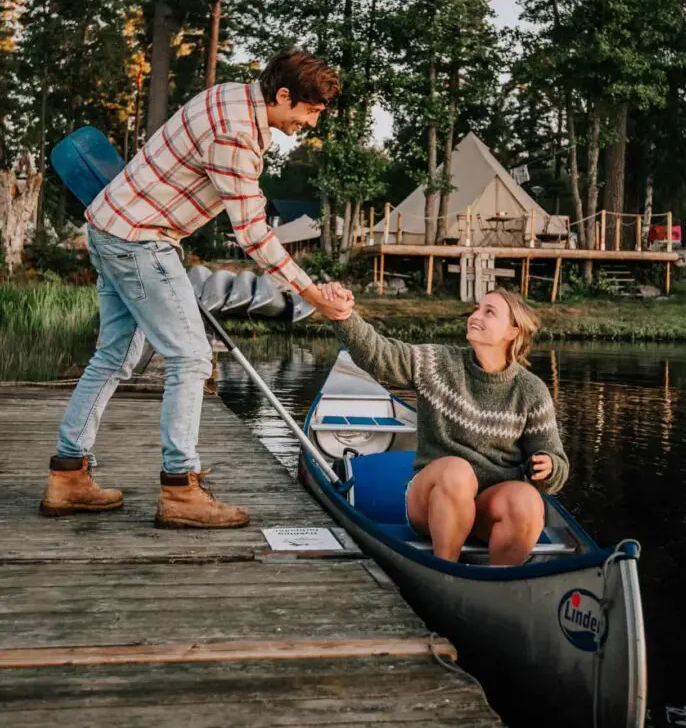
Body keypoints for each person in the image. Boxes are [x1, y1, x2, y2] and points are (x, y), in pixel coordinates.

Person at [40, 48, 354, 529]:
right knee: (191, 357)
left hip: (110, 227)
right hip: (140, 240)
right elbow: (252, 233)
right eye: (309, 111)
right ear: (284, 95)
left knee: (114, 357)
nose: (311, 122)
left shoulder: (230, 95)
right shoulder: (237, 132)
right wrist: (310, 294)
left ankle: (68, 475)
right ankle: (180, 490)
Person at [327, 287, 568, 565]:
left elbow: (555, 462)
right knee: (457, 471)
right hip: (432, 502)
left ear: (512, 332)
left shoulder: (531, 390)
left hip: (489, 510)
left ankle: (498, 582)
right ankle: (446, 569)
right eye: (476, 308)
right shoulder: (439, 364)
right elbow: (380, 354)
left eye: (489, 312)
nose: (475, 316)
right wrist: (345, 316)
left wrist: (548, 466)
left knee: (528, 499)